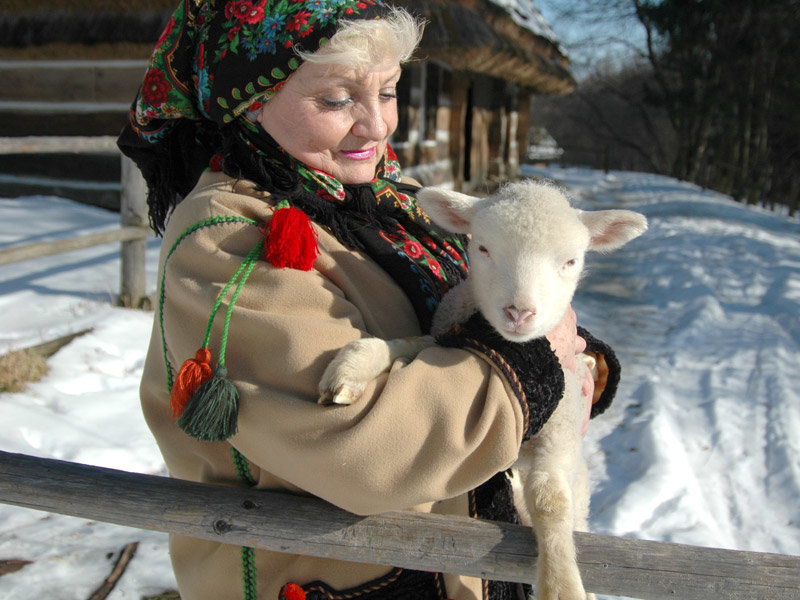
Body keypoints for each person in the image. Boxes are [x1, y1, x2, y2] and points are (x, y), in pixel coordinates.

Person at [119, 1, 619, 599]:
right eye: (336, 100)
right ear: (250, 99)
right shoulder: (233, 239)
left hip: (459, 567)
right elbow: (362, 446)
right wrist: (538, 371)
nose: (377, 126)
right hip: (341, 579)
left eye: (387, 92)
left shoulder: (396, 203)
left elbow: (489, 318)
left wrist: (573, 364)